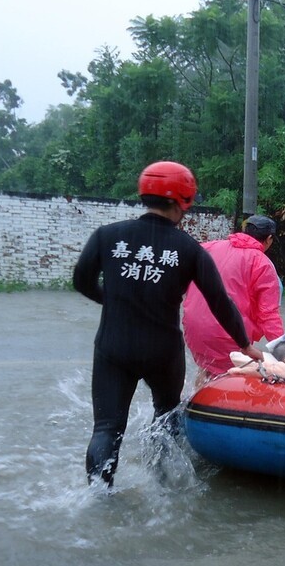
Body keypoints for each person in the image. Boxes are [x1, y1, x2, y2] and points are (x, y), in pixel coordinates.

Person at [72, 160, 262, 488]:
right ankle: (163, 485)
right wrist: (245, 345)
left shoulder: (107, 236)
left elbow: (81, 280)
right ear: (182, 201)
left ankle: (98, 501)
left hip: (113, 347)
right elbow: (220, 302)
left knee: (106, 428)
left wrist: (113, 302)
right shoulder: (190, 250)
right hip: (163, 352)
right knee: (165, 419)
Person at [182, 213, 284, 377]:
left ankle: (195, 399)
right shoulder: (262, 263)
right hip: (229, 335)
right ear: (269, 238)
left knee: (208, 371)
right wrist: (284, 352)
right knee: (239, 375)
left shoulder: (208, 247)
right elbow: (269, 316)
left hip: (193, 331)